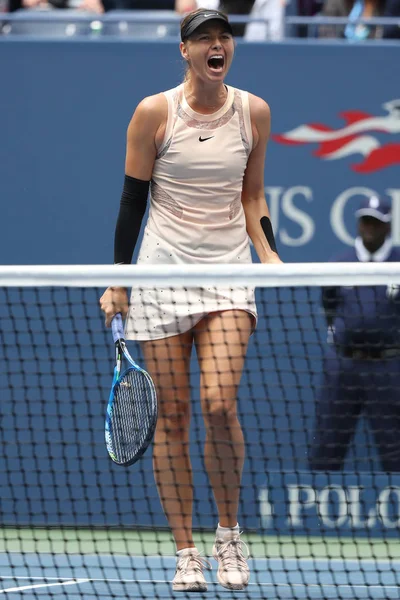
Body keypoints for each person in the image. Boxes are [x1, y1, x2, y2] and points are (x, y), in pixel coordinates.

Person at [100, 7, 280, 592]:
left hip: (228, 272)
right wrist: (118, 280)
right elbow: (132, 203)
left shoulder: (254, 112)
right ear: (184, 51)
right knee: (172, 418)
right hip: (160, 274)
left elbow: (253, 196)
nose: (216, 43)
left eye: (223, 35)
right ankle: (187, 552)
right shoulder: (155, 113)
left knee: (218, 405)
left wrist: (269, 252)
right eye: (203, 37)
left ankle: (229, 536)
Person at [309, 195, 400, 472]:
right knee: (327, 445)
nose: (369, 228)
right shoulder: (341, 263)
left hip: (389, 367)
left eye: (376, 222)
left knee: (395, 449)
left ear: (388, 226)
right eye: (365, 221)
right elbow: (329, 305)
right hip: (344, 367)